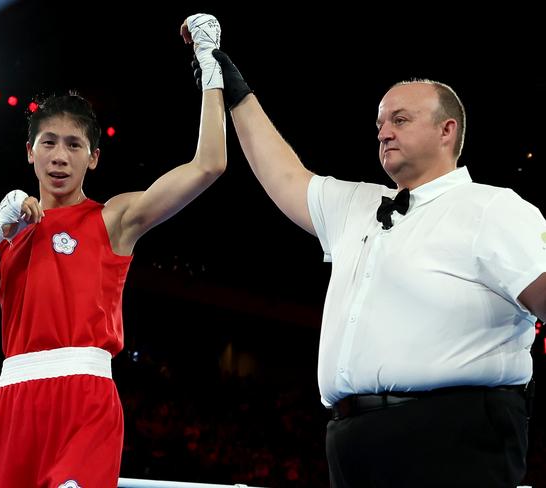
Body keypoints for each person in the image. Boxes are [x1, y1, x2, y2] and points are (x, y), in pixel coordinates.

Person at [185, 18, 546, 487]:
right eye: (379, 124)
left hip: (455, 436)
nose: (383, 133)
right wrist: (235, 90)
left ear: (447, 131)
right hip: (352, 439)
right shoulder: (358, 204)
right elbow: (285, 176)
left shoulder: (493, 207)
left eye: (400, 120)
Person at [0, 14, 225, 488]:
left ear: (93, 157)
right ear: (30, 152)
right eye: (49, 143)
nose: (60, 156)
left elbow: (209, 165)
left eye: (75, 145)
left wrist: (210, 62)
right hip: (11, 400)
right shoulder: (9, 232)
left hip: (85, 397)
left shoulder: (114, 218)